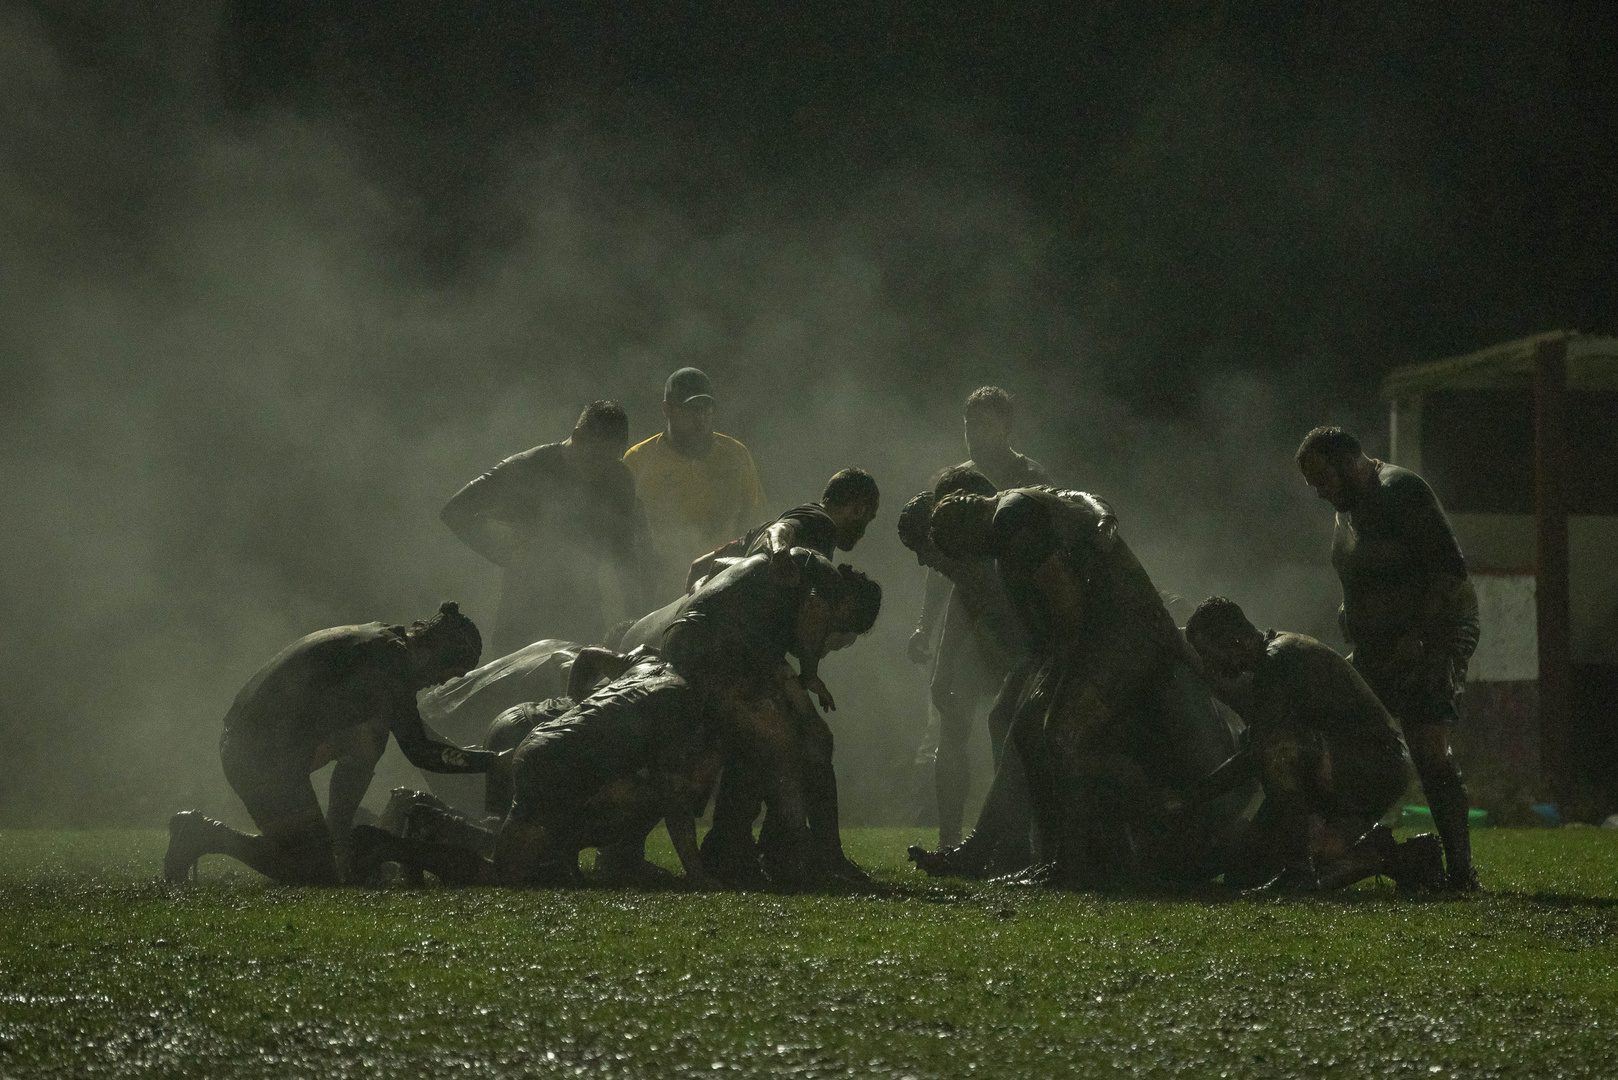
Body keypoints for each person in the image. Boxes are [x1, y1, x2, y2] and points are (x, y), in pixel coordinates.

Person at [162, 603, 499, 885]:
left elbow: (374, 739)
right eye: (448, 672)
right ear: (435, 654)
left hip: (257, 744)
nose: (440, 682)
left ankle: (337, 837)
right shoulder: (392, 665)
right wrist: (493, 762)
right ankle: (206, 835)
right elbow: (420, 750)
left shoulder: (384, 641)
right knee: (314, 872)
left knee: (373, 731)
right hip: (259, 754)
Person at [354, 652, 722, 889]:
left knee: (522, 854)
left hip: (541, 744)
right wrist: (698, 875)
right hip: (558, 764)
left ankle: (426, 820)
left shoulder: (648, 663)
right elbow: (674, 799)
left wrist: (578, 702)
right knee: (507, 874)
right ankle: (389, 846)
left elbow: (590, 659)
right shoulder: (684, 703)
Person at [1296, 426, 1481, 891]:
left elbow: (1448, 570)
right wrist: (1350, 612)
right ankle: (1341, 844)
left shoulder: (1400, 492)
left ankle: (1461, 872)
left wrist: (1417, 636)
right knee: (1335, 720)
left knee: (1427, 743)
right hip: (1380, 643)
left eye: (1322, 478)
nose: (1319, 491)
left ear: (1350, 461)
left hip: (1435, 633)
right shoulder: (1348, 509)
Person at [1177, 597, 1441, 891]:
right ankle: (1389, 857)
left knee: (1275, 748)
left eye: (1210, 656)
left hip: (1373, 767)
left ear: (1236, 641)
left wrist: (1191, 798)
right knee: (1246, 874)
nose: (1211, 668)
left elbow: (1262, 754)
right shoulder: (1274, 656)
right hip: (1355, 767)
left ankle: (1300, 870)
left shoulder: (1278, 661)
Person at [441, 400, 647, 655]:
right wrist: (504, 553)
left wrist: (637, 620)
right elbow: (455, 510)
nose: (600, 469)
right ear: (577, 436)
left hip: (584, 612)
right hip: (522, 613)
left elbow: (624, 551)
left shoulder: (618, 478)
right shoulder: (528, 467)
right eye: (595, 457)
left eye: (610, 459)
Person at [898, 468, 1031, 853]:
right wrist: (943, 667)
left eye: (924, 552)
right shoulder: (962, 560)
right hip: (988, 643)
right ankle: (951, 839)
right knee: (955, 730)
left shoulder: (995, 547)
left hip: (1022, 643)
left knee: (1006, 726)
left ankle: (1014, 839)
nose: (924, 564)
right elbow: (961, 601)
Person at [623, 367, 766, 602]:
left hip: (724, 589)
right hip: (658, 598)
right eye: (691, 410)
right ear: (667, 409)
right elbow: (620, 537)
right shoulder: (638, 461)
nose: (700, 419)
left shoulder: (735, 456)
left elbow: (756, 521)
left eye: (706, 410)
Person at [685, 468, 880, 590]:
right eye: (868, 518)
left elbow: (698, 567)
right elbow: (779, 531)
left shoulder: (762, 529)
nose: (863, 532)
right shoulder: (822, 524)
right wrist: (780, 555)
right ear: (858, 509)